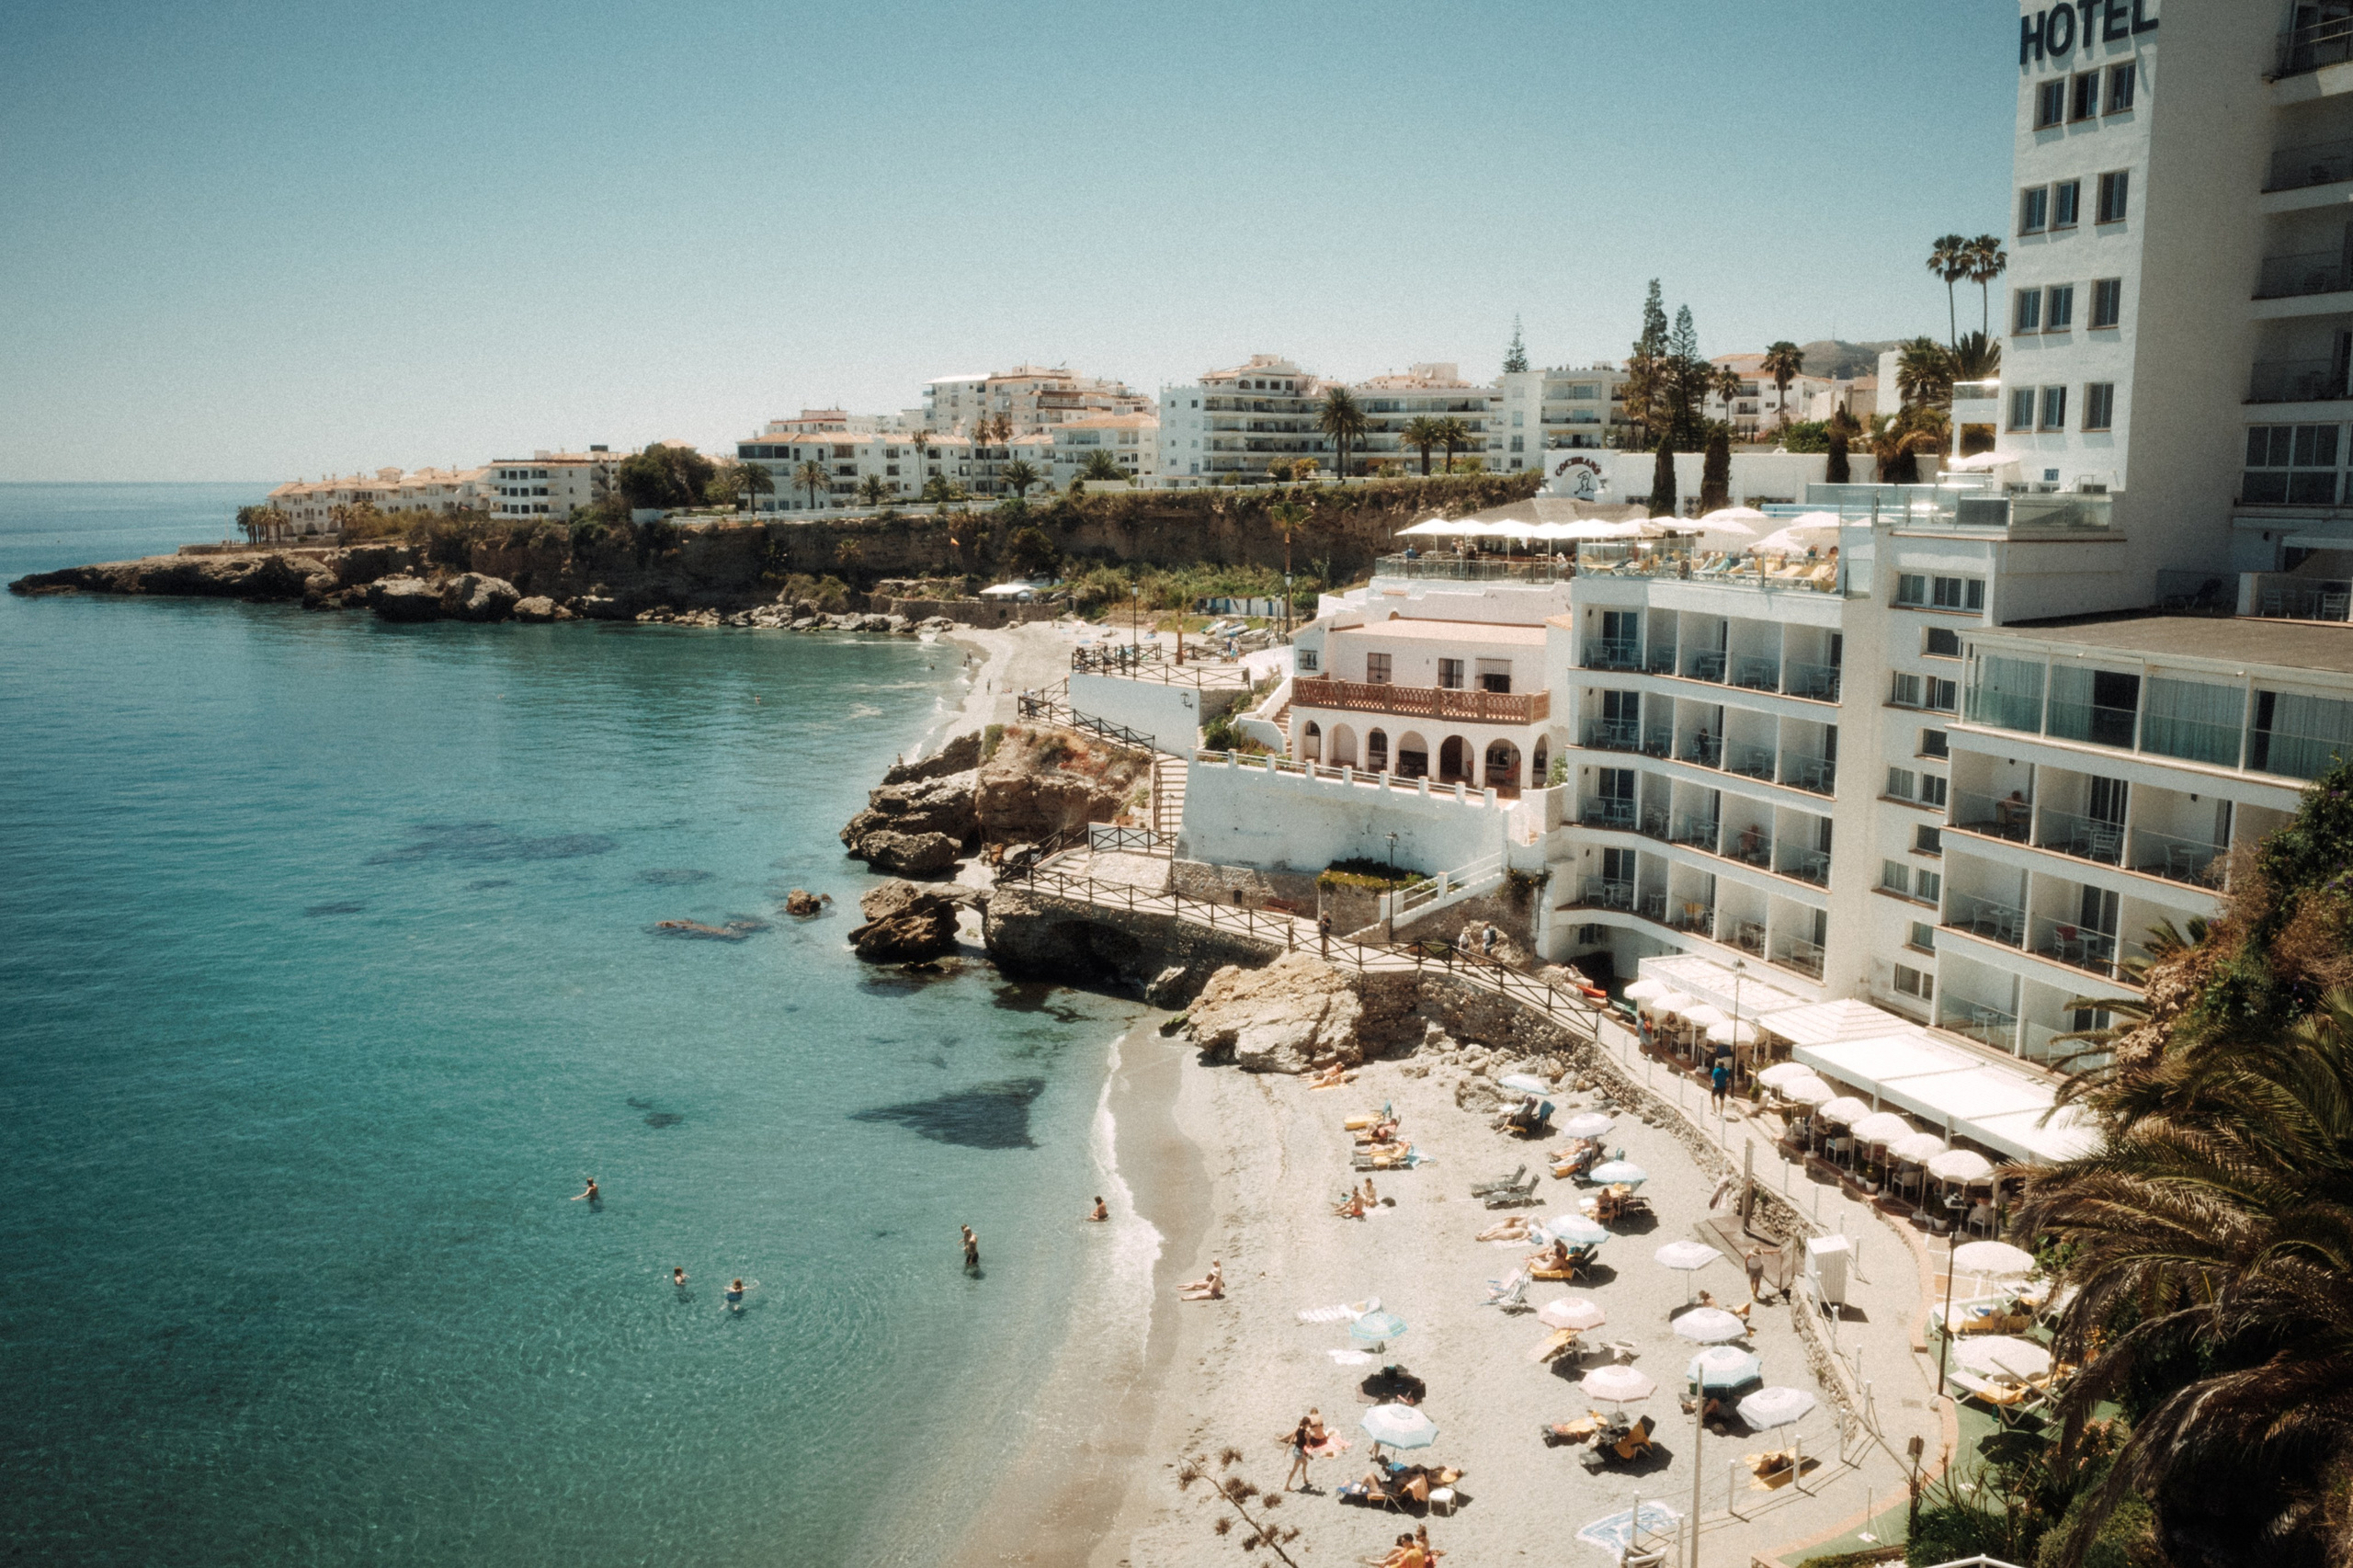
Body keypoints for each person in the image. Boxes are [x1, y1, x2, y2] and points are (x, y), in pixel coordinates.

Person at [1283, 1410, 1319, 1491]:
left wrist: (1286, 1449)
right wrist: (1309, 1439)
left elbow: (1292, 1438)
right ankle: (1286, 1486)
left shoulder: (1299, 1428)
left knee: (1305, 1463)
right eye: (1309, 1424)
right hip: (1299, 1453)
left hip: (1296, 1449)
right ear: (1306, 1424)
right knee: (1294, 1470)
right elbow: (1308, 1445)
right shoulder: (1306, 1433)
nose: (1310, 1425)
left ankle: (1305, 1479)